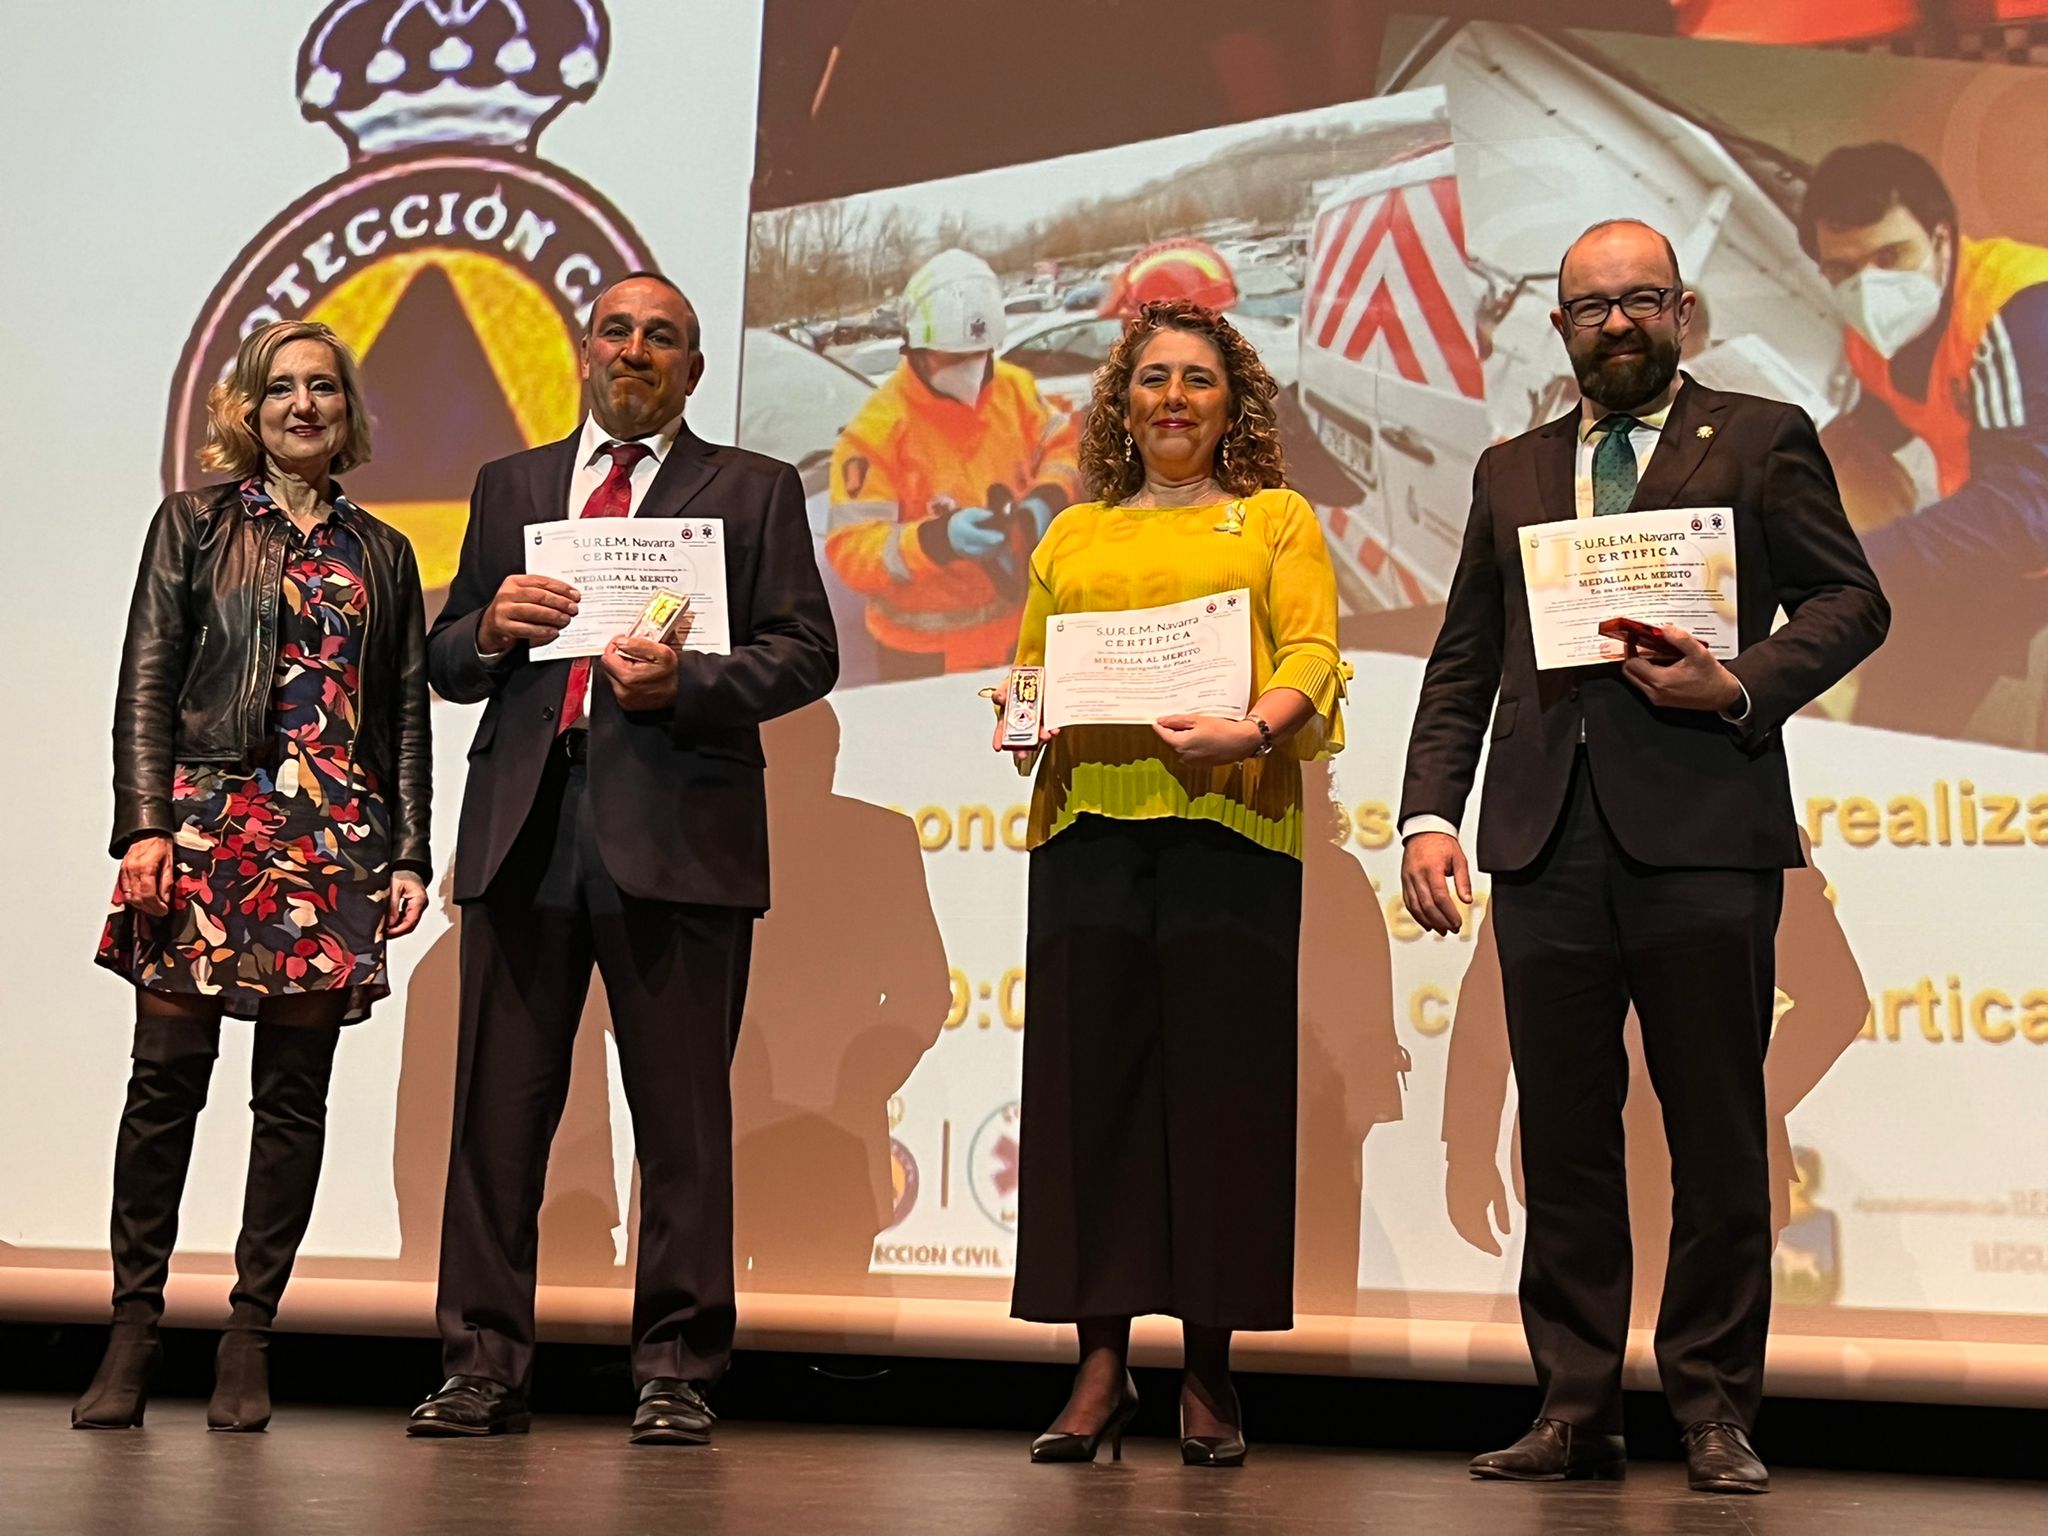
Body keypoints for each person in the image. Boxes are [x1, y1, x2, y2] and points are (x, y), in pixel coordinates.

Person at [1398, 220, 1888, 1495]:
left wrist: (1739, 685)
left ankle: (1714, 1412)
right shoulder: (1507, 467)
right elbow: (1462, 660)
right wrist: (1427, 815)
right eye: (1588, 307)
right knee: (1562, 1134)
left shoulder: (1762, 434)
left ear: (1682, 312)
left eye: (1639, 302)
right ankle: (1570, 1407)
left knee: (1715, 1134)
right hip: (1544, 839)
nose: (1614, 324)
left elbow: (1850, 601)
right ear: (1557, 327)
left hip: (1701, 834)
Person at [407, 272, 837, 1445]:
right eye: (617, 331)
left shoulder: (749, 491)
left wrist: (690, 681)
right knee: (497, 1120)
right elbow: (445, 660)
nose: (635, 350)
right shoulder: (513, 487)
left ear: (692, 370)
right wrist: (491, 629)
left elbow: (807, 653)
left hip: (679, 833)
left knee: (682, 1120)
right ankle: (480, 1366)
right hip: (525, 826)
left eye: (662, 338)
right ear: (583, 353)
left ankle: (677, 1371)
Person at [1002, 298, 1346, 1468]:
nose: (1172, 399)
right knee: (1085, 1095)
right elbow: (1030, 666)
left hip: (1230, 825)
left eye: (1197, 379)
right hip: (1086, 826)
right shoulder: (1073, 533)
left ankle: (1208, 1370)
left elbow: (1310, 653)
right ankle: (1098, 1367)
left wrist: (1252, 729)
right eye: (1152, 378)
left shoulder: (1274, 518)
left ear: (1231, 402)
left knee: (1220, 1100)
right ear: (1121, 401)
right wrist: (1016, 714)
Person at [82, 319, 432, 1432]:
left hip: (333, 838)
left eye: (322, 387)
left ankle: (248, 1335)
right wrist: (141, 826)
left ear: (346, 410)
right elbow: (148, 677)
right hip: (204, 825)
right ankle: (132, 1335)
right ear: (249, 408)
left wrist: (411, 850)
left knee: (291, 1097)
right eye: (280, 388)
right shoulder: (191, 525)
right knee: (165, 1082)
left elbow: (409, 713)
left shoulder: (384, 551)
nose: (302, 406)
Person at [1798, 142, 2048, 744]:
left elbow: (2029, 510)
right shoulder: (1873, 333)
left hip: (2025, 525)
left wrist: (1853, 560)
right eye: (1844, 268)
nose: (1869, 284)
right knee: (1893, 726)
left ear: (1941, 239)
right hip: (2011, 555)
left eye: (1891, 254)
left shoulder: (2017, 313)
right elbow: (1892, 415)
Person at [828, 248, 1082, 677]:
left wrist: (1046, 498)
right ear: (916, 350)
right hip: (921, 657)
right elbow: (851, 550)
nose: (969, 369)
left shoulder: (1014, 390)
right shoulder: (876, 431)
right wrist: (935, 540)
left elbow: (1063, 445)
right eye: (953, 358)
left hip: (1018, 635)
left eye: (979, 354)